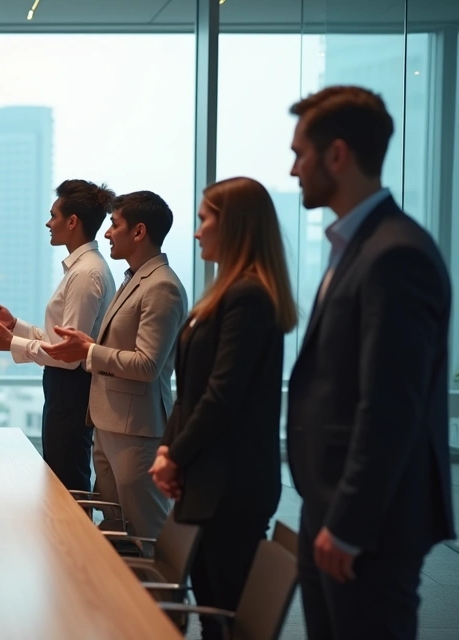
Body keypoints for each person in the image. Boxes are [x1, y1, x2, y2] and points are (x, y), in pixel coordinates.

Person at [285, 86, 454, 640]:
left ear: (337, 154)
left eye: (300, 154)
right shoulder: (356, 246)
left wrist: (349, 525)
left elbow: (390, 406)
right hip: (330, 507)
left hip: (367, 524)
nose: (293, 170)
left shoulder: (395, 253)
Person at [148, 177, 296, 640]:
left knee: (226, 618)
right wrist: (168, 449)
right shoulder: (224, 293)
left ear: (233, 225)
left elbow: (222, 395)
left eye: (204, 220)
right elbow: (189, 391)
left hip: (231, 484)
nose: (196, 232)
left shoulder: (249, 296)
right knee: (213, 615)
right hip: (206, 478)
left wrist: (175, 455)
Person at [44, 190, 186, 539]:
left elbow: (148, 364)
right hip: (109, 424)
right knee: (113, 530)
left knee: (144, 534)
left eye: (115, 225)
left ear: (139, 232)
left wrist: (90, 352)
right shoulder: (133, 279)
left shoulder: (162, 286)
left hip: (136, 430)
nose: (107, 233)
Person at [0, 179, 116, 491]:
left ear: (72, 222)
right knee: (62, 478)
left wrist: (11, 341)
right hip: (66, 389)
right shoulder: (83, 268)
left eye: (53, 215)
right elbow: (61, 340)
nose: (48, 223)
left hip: (70, 390)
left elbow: (68, 355)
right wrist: (15, 326)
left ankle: (74, 528)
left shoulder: (86, 273)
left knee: (66, 483)